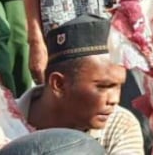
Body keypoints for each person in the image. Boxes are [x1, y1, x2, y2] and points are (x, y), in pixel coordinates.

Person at [17, 14, 144, 155]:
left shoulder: (119, 124)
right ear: (58, 84)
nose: (114, 100)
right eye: (102, 86)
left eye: (119, 86)